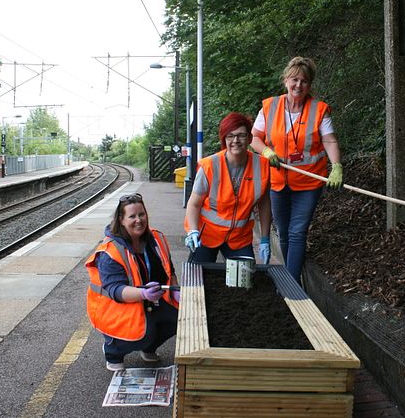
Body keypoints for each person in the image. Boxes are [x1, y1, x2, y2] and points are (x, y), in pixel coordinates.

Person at [250, 56, 343, 283]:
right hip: (278, 181)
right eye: (294, 80)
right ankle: (291, 276)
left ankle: (290, 284)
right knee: (282, 231)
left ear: (310, 85)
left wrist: (337, 166)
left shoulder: (319, 110)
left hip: (309, 183)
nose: (298, 85)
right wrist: (267, 152)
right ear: (285, 81)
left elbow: (329, 140)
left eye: (304, 81)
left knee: (297, 232)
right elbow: (254, 138)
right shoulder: (269, 106)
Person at [85, 193, 180, 371]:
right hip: (115, 307)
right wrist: (143, 293)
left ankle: (149, 347)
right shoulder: (110, 251)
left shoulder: (156, 239)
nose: (139, 220)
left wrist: (174, 289)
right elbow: (116, 290)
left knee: (179, 316)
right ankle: (113, 350)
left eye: (141, 214)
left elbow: (169, 269)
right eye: (132, 216)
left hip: (149, 300)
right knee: (145, 331)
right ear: (121, 220)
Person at [184, 112, 272, 264]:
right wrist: (193, 230)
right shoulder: (209, 166)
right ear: (224, 139)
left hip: (239, 238)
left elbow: (264, 204)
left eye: (241, 135)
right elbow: (194, 203)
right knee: (197, 280)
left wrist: (265, 238)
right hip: (206, 235)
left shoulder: (263, 166)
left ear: (250, 139)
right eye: (230, 136)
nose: (235, 140)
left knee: (242, 283)